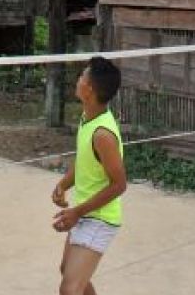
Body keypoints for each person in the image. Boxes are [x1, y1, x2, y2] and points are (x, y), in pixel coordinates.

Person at [51, 56, 127, 295]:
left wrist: (77, 212)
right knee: (68, 273)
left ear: (90, 89)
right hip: (85, 212)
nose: (78, 79)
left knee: (69, 289)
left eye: (82, 76)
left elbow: (119, 185)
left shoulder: (102, 134)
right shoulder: (88, 119)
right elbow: (85, 162)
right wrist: (63, 184)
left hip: (100, 217)